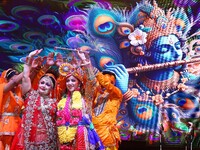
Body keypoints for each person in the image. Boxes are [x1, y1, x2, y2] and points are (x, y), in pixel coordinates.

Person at [11, 49, 58, 149]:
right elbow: (25, 77)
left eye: (47, 84)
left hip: (49, 145)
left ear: (52, 89)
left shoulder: (55, 103)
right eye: (42, 82)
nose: (44, 85)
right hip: (27, 144)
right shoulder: (30, 95)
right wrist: (30, 58)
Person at [56, 52, 104, 150]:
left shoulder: (86, 96)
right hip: (65, 135)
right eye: (68, 81)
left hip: (81, 136)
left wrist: (86, 63)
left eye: (73, 80)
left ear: (79, 83)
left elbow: (92, 82)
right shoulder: (63, 98)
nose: (70, 83)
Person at [0, 68, 24, 150]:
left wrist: (35, 69)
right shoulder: (3, 88)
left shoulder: (19, 91)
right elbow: (14, 82)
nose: (16, 82)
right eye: (13, 79)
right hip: (5, 126)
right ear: (7, 80)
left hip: (18, 124)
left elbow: (30, 80)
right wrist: (28, 67)